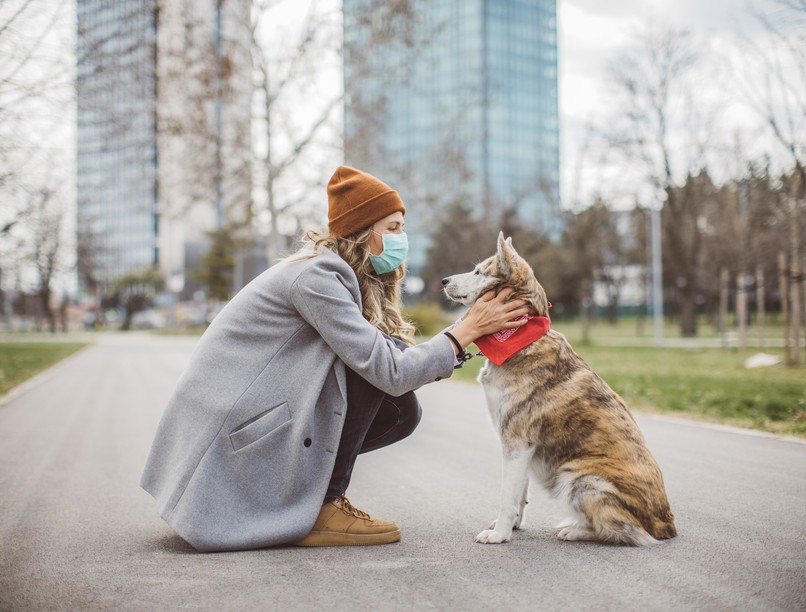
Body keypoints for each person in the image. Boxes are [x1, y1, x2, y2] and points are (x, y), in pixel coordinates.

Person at [140, 166, 528, 552]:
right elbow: (387, 370)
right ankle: (323, 504)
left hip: (245, 428)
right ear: (362, 232)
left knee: (401, 410)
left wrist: (470, 337)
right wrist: (465, 331)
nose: (401, 239)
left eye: (402, 228)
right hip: (224, 446)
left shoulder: (338, 275)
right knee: (370, 373)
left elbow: (393, 361)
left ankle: (307, 495)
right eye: (391, 228)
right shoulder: (316, 277)